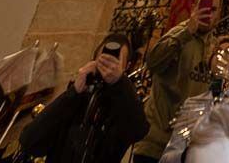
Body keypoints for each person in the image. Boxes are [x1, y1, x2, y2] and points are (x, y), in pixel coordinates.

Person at [19, 33, 147, 163]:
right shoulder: (76, 97)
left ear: (126, 66)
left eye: (115, 59)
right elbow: (30, 141)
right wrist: (74, 92)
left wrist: (119, 83)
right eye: (104, 57)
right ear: (94, 58)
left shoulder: (125, 104)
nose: (108, 64)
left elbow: (137, 131)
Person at [132, 0, 222, 163]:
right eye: (204, 6)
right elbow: (153, 63)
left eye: (213, 9)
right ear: (194, 7)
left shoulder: (214, 46)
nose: (208, 13)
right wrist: (186, 31)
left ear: (219, 13)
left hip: (187, 147)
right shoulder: (178, 34)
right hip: (157, 145)